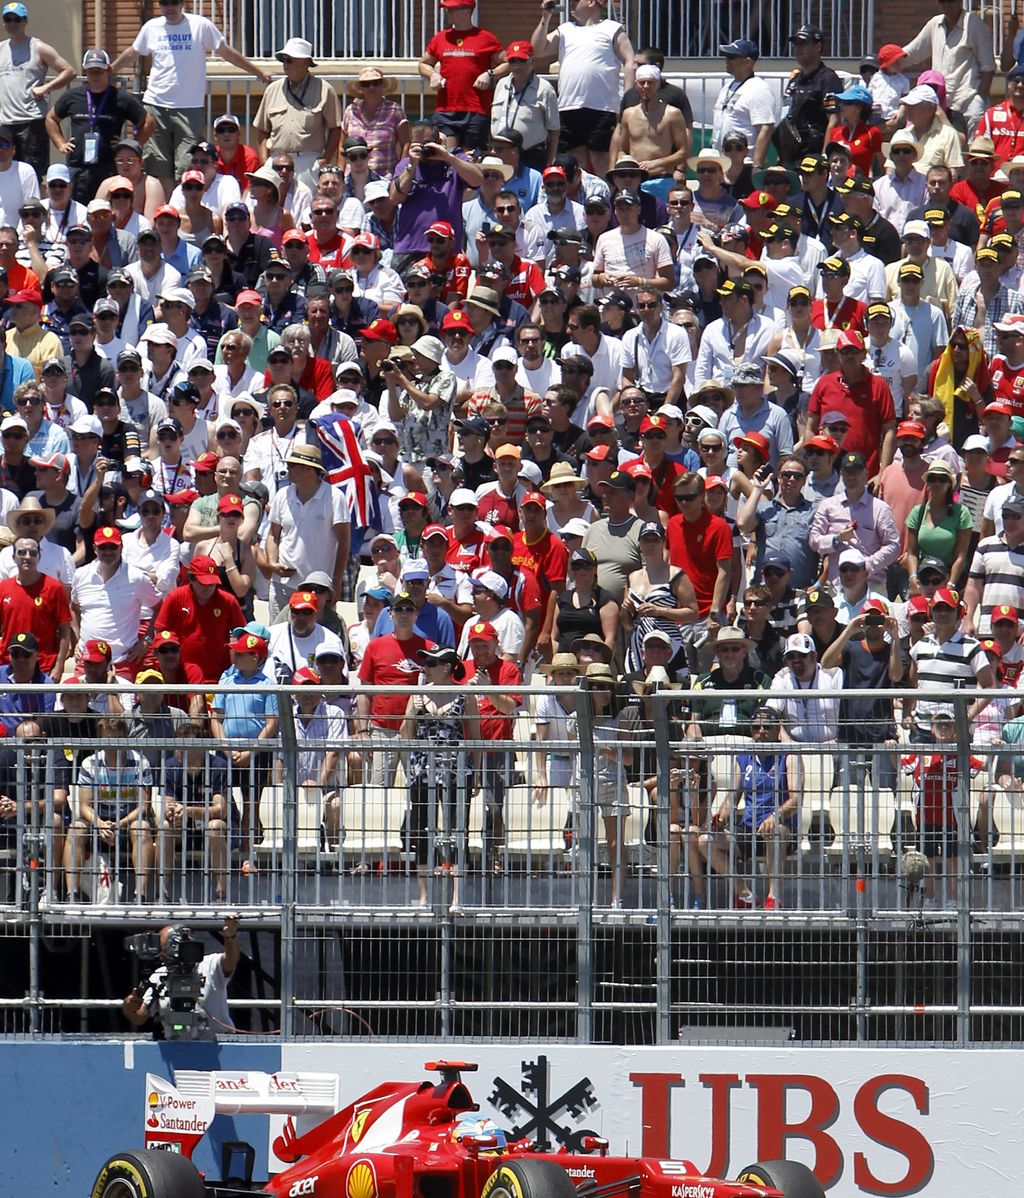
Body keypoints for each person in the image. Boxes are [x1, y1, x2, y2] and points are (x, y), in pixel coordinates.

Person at [109, 1, 270, 195]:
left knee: (187, 165)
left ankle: (181, 210)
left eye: (174, 2)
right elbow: (132, 52)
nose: (169, 6)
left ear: (182, 3)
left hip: (189, 108)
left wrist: (257, 71)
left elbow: (226, 51)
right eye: (164, 3)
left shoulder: (200, 25)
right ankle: (169, 211)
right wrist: (109, 71)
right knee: (159, 166)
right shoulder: (151, 27)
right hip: (155, 105)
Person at [530, 0, 634, 176]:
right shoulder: (565, 29)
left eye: (575, 1)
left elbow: (630, 61)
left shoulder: (612, 28)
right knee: (576, 162)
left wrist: (629, 101)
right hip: (569, 106)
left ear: (591, 2)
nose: (570, 5)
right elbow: (537, 50)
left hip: (603, 107)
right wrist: (545, 17)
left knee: (602, 159)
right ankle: (583, 202)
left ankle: (605, 201)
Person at [64, 713, 154, 903]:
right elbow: (84, 805)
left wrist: (118, 825)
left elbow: (143, 806)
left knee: (142, 828)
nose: (112, 742)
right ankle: (71, 893)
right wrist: (100, 824)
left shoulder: (141, 762)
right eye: (107, 737)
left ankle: (140, 894)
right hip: (99, 818)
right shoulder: (89, 763)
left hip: (129, 819)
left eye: (117, 736)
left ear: (125, 736)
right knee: (75, 829)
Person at [46, 49, 152, 204]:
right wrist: (61, 143)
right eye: (91, 71)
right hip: (78, 167)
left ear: (108, 70)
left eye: (99, 71)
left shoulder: (121, 97)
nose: (95, 76)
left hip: (108, 167)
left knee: (105, 212)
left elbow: (148, 122)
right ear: (85, 71)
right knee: (78, 213)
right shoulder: (72, 96)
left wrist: (132, 146)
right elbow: (51, 118)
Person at [720, 706, 799, 909]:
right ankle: (744, 894)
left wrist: (775, 816)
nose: (761, 731)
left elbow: (795, 800)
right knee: (705, 840)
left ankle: (774, 897)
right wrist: (719, 818)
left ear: (777, 729)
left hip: (781, 828)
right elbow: (731, 797)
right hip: (748, 828)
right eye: (756, 727)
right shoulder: (743, 757)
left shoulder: (789, 756)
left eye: (767, 727)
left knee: (775, 831)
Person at [122, 916, 239, 1039]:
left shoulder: (209, 965)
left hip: (215, 1043)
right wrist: (129, 1010)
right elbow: (140, 1017)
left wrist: (229, 937)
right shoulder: (159, 977)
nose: (161, 957)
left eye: (164, 950)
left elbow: (231, 959)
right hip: (177, 1046)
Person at [252, 38, 341, 188]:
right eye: (284, 60)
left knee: (307, 207)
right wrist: (264, 161)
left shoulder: (325, 89)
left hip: (308, 161)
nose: (285, 65)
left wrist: (324, 159)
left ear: (306, 62)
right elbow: (262, 130)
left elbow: (335, 129)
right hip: (276, 160)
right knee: (274, 206)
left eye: (290, 60)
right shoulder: (272, 89)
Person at [0, 2, 73, 181]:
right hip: (4, 122)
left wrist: (46, 87)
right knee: (5, 172)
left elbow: (69, 71)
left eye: (17, 19)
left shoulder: (38, 47)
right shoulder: (1, 49)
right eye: (8, 19)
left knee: (33, 174)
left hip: (31, 121)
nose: (12, 23)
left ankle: (34, 208)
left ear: (25, 21)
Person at [902, 0, 995, 134]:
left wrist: (980, 99)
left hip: (968, 101)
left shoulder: (975, 25)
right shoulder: (935, 24)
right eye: (942, 1)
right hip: (940, 102)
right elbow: (914, 51)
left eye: (951, 1)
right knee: (942, 146)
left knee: (971, 150)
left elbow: (988, 68)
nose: (947, 5)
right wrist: (889, 59)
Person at [710, 38, 776, 171]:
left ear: (748, 62)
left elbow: (765, 128)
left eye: (732, 56)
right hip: (722, 162)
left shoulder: (759, 89)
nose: (727, 60)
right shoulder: (728, 87)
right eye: (726, 56)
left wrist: (756, 165)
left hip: (745, 163)